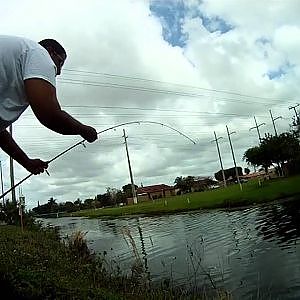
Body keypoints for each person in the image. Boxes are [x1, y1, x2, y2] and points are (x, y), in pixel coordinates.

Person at [0, 35, 98, 175]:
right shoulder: (39, 52)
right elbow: (49, 114)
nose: (58, 71)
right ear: (50, 51)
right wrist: (84, 130)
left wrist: (26, 162)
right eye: (59, 62)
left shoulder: (17, 75)